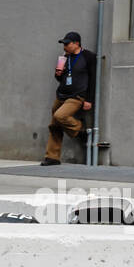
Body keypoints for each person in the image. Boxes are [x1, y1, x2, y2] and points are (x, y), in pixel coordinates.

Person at [42, 30, 94, 166]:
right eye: (63, 44)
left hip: (77, 96)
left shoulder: (88, 56)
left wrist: (89, 99)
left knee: (60, 116)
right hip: (61, 95)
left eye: (67, 44)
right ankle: (52, 157)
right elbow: (60, 79)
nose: (64, 47)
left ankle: (80, 130)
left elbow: (93, 79)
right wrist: (58, 73)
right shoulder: (65, 58)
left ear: (76, 43)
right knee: (54, 125)